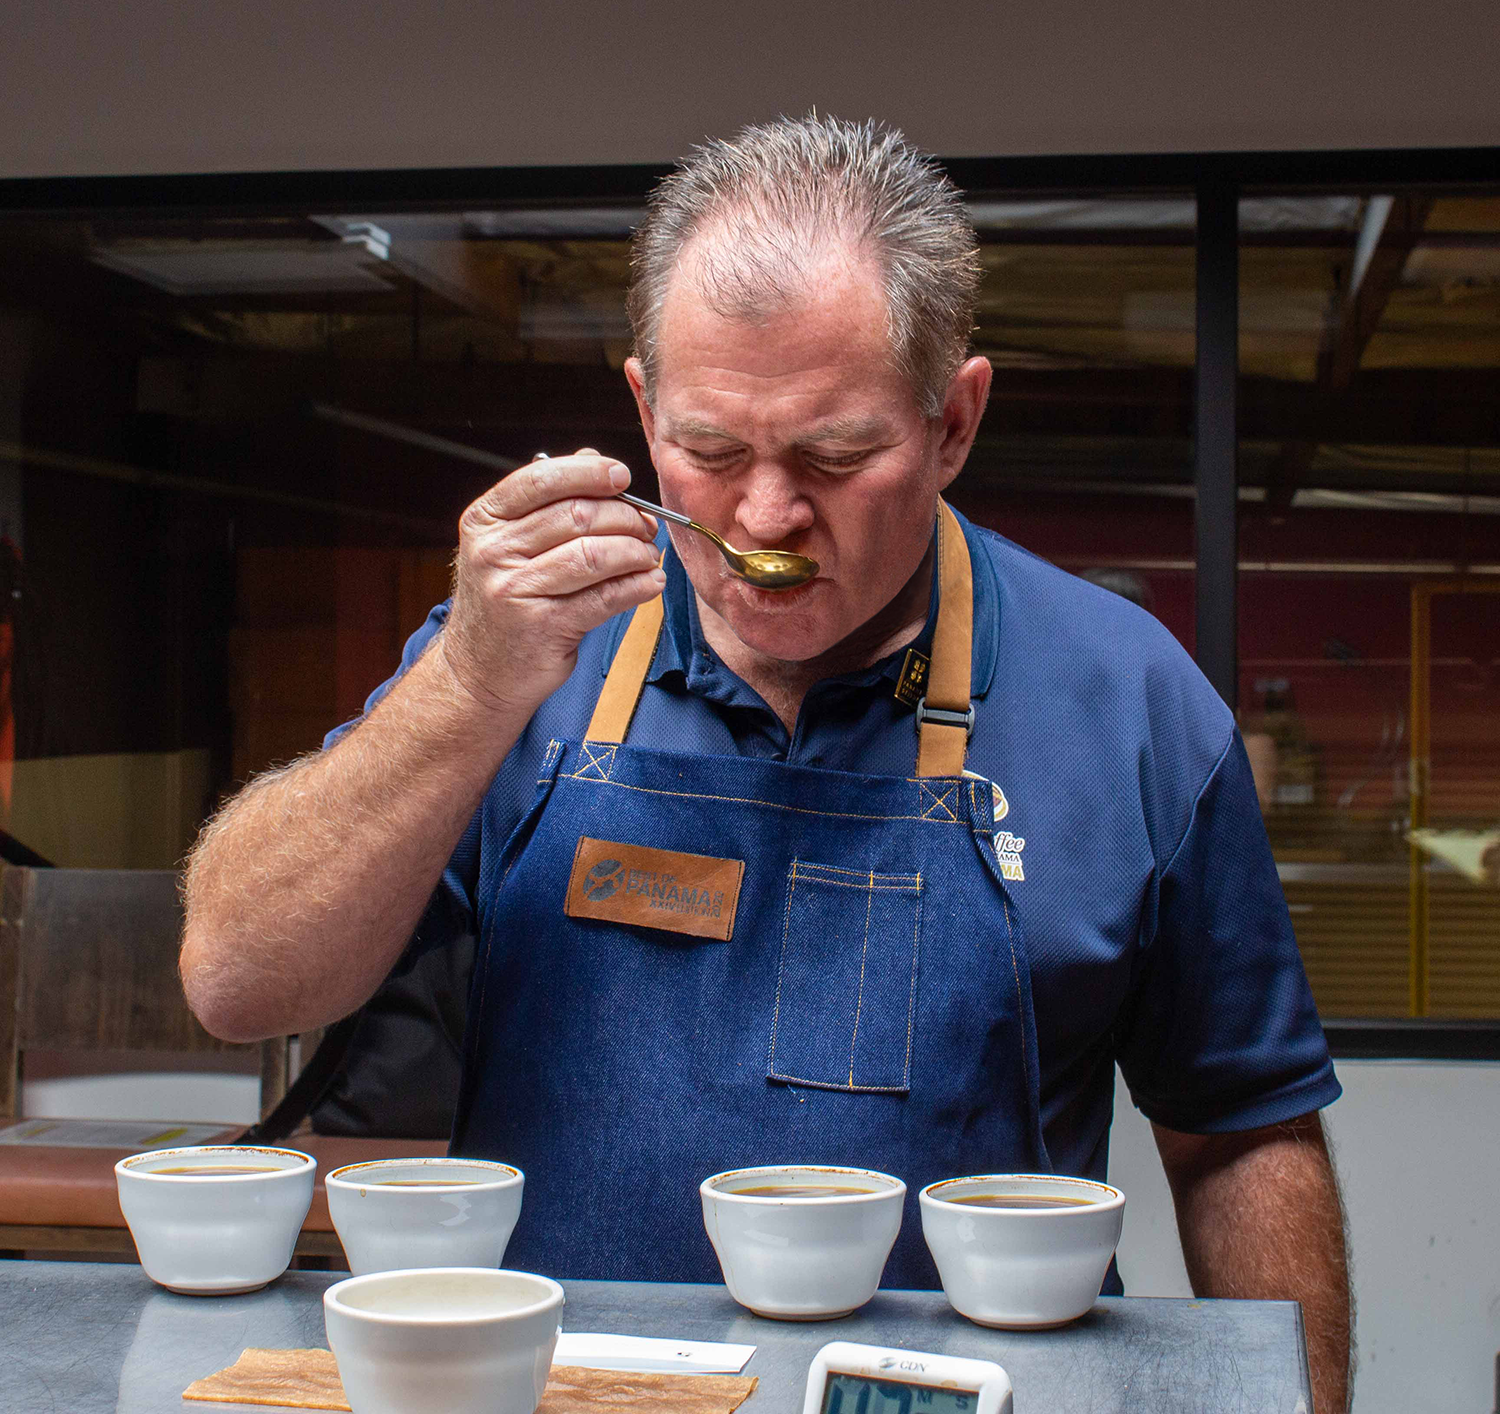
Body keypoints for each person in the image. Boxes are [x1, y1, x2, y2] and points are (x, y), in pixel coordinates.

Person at [182, 116, 1350, 1411]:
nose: (764, 519)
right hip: (567, 1392)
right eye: (711, 451)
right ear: (641, 407)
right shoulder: (523, 653)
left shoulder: (1126, 699)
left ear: (955, 420)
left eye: (836, 456)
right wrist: (463, 684)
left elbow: (1242, 1135)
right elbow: (240, 981)